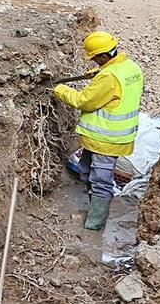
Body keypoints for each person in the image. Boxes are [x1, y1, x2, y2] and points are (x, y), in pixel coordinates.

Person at [53, 31, 144, 231]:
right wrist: (99, 74)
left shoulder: (109, 77)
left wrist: (59, 89)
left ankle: (94, 225)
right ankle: (93, 209)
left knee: (101, 181)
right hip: (105, 138)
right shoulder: (130, 67)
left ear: (104, 55)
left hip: (106, 139)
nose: (93, 60)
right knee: (86, 170)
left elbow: (83, 101)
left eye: (95, 57)